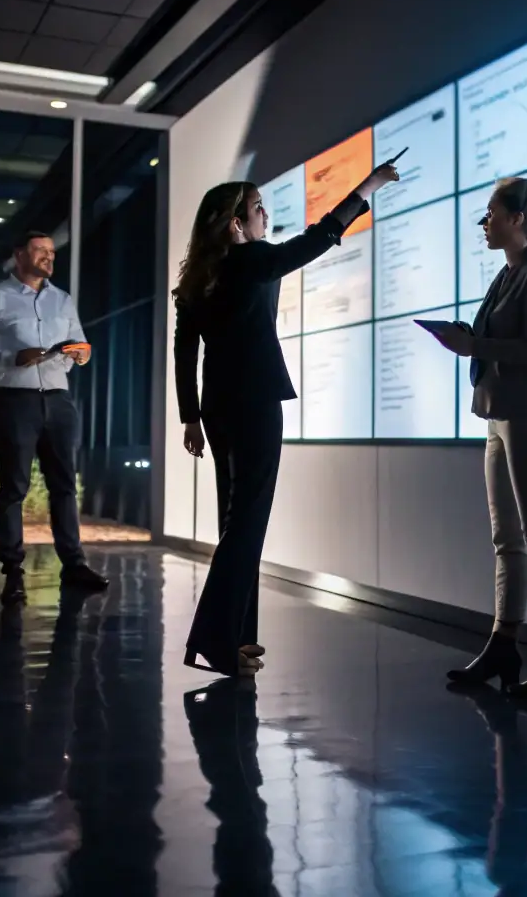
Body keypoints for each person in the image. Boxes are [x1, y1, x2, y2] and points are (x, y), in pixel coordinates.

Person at [174, 161, 401, 677]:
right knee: (246, 523)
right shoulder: (249, 260)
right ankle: (214, 639)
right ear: (235, 223)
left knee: (236, 519)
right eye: (256, 208)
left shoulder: (199, 278)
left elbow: (184, 354)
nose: (264, 214)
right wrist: (367, 187)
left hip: (218, 408)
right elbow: (319, 238)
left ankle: (238, 635)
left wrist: (190, 417)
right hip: (254, 403)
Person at [430, 178, 527, 702]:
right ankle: (504, 644)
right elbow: (496, 343)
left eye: (491, 213)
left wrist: (473, 343)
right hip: (498, 414)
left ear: (518, 219)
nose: (483, 222)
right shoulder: (507, 274)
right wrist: (469, 341)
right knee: (507, 541)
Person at [0, 231, 105, 605]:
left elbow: (80, 342)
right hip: (15, 400)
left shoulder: (62, 299)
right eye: (40, 250)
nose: (48, 256)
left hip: (59, 400)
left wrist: (81, 354)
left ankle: (74, 566)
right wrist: (13, 358)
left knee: (64, 487)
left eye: (51, 251)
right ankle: (13, 571)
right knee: (13, 488)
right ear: (19, 255)